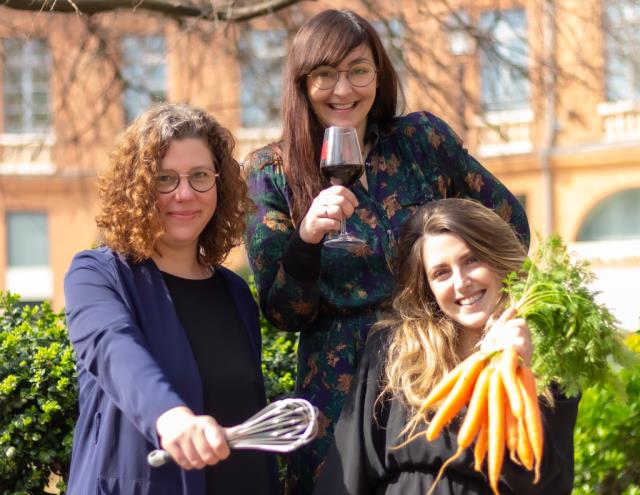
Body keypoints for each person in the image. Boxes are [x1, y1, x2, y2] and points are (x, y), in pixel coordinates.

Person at [244, 8, 531, 493]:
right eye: (326, 75)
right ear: (301, 83)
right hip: (338, 379)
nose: (344, 90)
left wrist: (487, 311)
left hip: (435, 362)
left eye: (358, 70)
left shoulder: (420, 139)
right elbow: (283, 313)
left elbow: (511, 230)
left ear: (379, 73)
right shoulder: (270, 171)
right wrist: (307, 238)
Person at [64, 103, 278, 495]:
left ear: (219, 184)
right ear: (138, 188)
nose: (184, 194)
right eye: (164, 179)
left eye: (200, 176)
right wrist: (171, 417)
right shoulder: (96, 275)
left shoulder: (235, 293)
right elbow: (113, 349)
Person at [313, 198, 579, 495]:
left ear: (498, 260)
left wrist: (516, 368)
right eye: (441, 273)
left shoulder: (548, 355)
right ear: (427, 286)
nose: (461, 282)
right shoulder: (393, 350)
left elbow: (548, 482)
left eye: (471, 260)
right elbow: (348, 472)